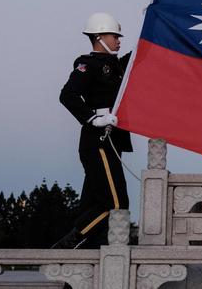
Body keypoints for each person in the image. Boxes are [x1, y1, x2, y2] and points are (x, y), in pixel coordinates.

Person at [53, 12, 132, 249]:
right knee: (116, 204)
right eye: (114, 35)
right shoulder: (89, 63)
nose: (119, 40)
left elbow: (136, 59)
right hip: (97, 141)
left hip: (111, 142)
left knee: (93, 204)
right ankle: (71, 242)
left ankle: (82, 258)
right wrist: (91, 117)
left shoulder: (116, 65)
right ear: (99, 37)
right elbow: (67, 95)